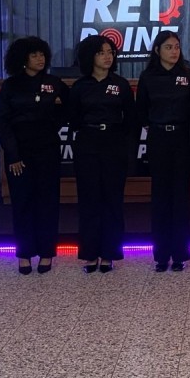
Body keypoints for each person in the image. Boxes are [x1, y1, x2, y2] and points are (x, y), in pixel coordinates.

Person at [0, 37, 69, 275]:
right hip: (19, 152)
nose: (40, 59)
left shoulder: (53, 83)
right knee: (22, 202)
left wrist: (55, 121)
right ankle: (24, 253)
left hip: (47, 150)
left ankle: (47, 252)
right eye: (34, 55)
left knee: (48, 202)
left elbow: (70, 109)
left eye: (42, 54)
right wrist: (13, 155)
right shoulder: (11, 85)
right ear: (23, 59)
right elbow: (3, 122)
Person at [69, 36, 137, 273]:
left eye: (110, 52)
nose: (107, 57)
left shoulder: (120, 84)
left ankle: (109, 253)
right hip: (87, 143)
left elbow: (131, 119)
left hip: (114, 144)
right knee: (89, 200)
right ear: (90, 57)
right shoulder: (80, 87)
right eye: (101, 53)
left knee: (112, 201)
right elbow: (74, 119)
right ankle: (90, 254)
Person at [136, 31, 190, 272]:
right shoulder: (148, 77)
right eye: (169, 47)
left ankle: (180, 254)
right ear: (157, 50)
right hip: (158, 138)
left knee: (181, 197)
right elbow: (141, 111)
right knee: (160, 198)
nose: (174, 51)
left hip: (182, 139)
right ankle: (161, 255)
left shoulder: (188, 75)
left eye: (177, 47)